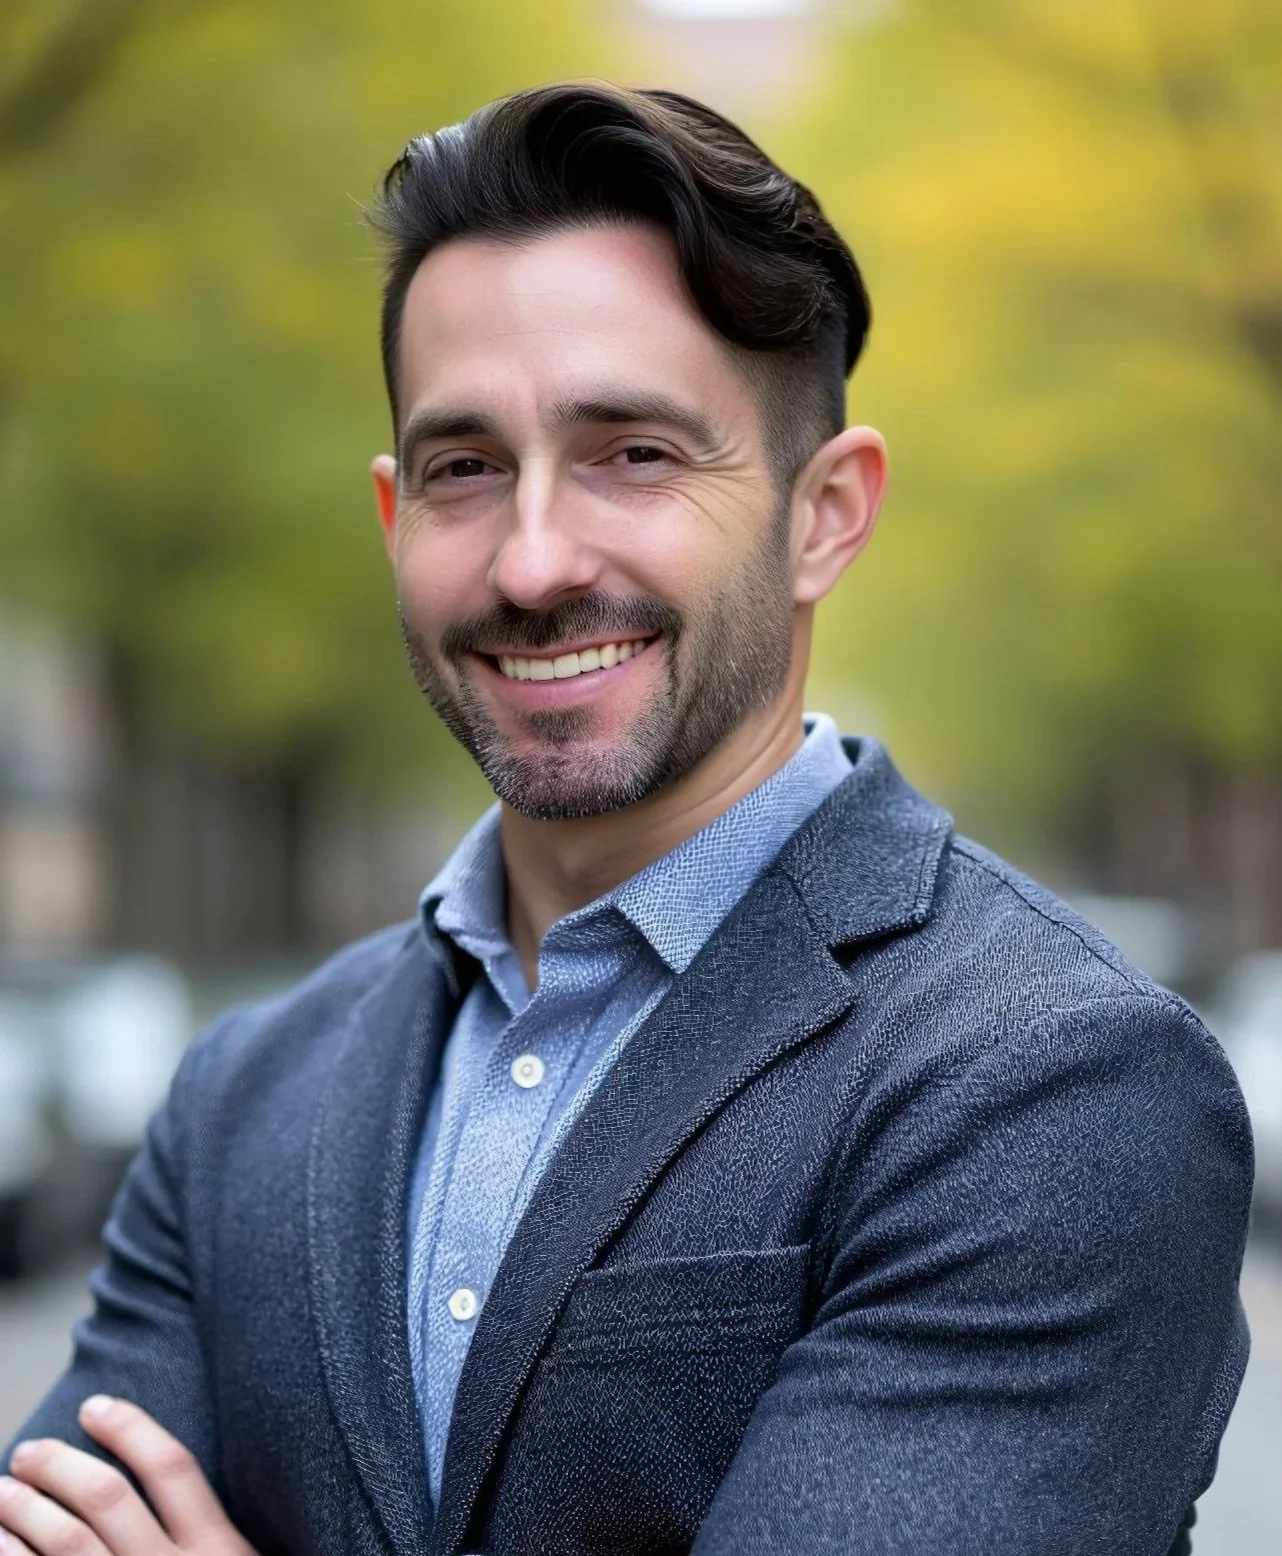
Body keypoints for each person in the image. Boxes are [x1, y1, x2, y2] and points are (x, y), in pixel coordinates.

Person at [0, 83, 1252, 1556]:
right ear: (397, 519)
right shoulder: (242, 1101)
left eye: (634, 454)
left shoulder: (1050, 1085)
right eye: (467, 470)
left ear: (823, 515)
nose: (532, 560)